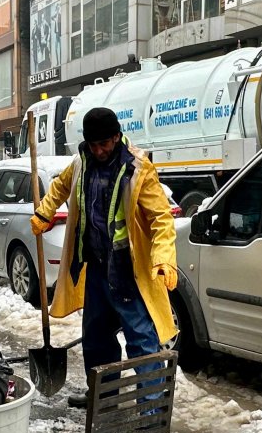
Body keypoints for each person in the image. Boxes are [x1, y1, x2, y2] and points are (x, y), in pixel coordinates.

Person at [30, 107, 179, 408]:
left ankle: (150, 405)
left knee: (141, 338)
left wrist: (163, 258)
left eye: (105, 144)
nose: (99, 151)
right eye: (93, 145)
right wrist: (45, 210)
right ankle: (103, 395)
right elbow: (60, 186)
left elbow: (161, 218)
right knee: (96, 338)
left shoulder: (138, 168)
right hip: (96, 268)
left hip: (125, 269)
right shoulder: (80, 162)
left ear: (116, 137)